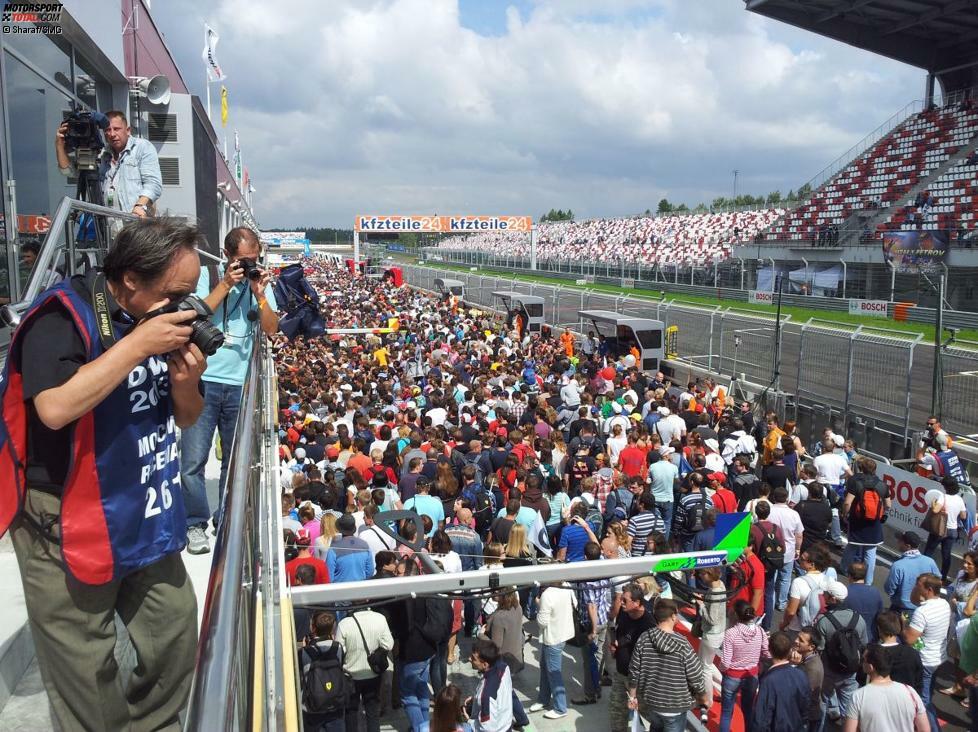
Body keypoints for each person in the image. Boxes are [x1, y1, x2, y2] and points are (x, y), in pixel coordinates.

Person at [0, 218, 206, 732]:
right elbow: (54, 408)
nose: (187, 306)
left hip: (142, 505)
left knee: (177, 633)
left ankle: (150, 724)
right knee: (87, 671)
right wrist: (137, 346)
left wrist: (187, 382)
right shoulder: (61, 316)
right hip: (66, 515)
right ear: (132, 279)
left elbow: (186, 418)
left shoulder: (155, 319)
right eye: (176, 293)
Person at [181, 226, 279, 554]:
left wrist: (260, 292)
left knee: (233, 461)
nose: (249, 265)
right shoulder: (209, 276)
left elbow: (271, 328)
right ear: (227, 256)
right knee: (193, 460)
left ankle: (224, 517)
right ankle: (195, 523)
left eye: (254, 259)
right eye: (243, 260)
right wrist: (227, 283)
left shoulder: (259, 284)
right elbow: (194, 314)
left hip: (240, 384)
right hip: (205, 381)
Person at [56, 109, 162, 218]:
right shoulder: (100, 153)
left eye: (116, 129)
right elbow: (68, 171)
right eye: (107, 130)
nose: (112, 134)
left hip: (136, 224)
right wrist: (59, 144)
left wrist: (140, 206)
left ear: (128, 130)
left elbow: (153, 184)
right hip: (109, 226)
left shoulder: (142, 147)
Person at [627, 598, 710, 732]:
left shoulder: (644, 638)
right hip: (675, 705)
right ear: (672, 616)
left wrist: (632, 696)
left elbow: (634, 670)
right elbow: (695, 676)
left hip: (652, 702)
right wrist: (703, 697)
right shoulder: (682, 644)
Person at [813, 580, 868, 725]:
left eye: (825, 594)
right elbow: (863, 644)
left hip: (829, 671)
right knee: (849, 707)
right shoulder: (858, 619)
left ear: (833, 598)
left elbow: (819, 648)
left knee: (822, 702)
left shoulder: (823, 621)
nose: (823, 596)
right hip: (851, 670)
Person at [903, 573, 951, 731]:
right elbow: (914, 600)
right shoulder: (944, 604)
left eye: (919, 586)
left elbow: (909, 639)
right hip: (938, 657)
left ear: (929, 589)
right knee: (927, 694)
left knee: (923, 702)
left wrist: (904, 625)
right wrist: (917, 589)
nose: (916, 588)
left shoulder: (922, 613)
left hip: (924, 660)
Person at [843, 644, 928, 732]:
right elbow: (925, 729)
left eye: (863, 660)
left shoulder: (858, 697)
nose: (861, 663)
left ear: (871, 667)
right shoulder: (910, 692)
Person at [336, 606, 395, 732]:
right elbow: (389, 644)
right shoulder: (380, 618)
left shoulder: (344, 624)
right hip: (373, 673)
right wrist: (376, 652)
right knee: (372, 711)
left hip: (351, 676)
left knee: (351, 712)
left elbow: (339, 650)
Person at [610, 583, 656, 732]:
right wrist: (615, 646)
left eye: (625, 600)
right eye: (621, 599)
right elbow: (619, 632)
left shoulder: (648, 624)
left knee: (649, 714)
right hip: (620, 673)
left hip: (638, 680)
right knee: (616, 711)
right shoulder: (624, 613)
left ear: (636, 603)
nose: (621, 603)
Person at [718, 599, 768, 732]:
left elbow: (726, 662)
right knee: (748, 709)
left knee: (727, 712)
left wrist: (721, 669)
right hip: (752, 675)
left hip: (732, 676)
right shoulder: (760, 631)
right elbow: (767, 653)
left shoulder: (731, 633)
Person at [530, 582, 576, 720]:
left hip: (553, 638)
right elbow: (575, 605)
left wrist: (538, 605)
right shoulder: (567, 587)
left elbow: (542, 622)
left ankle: (560, 708)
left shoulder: (547, 595)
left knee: (553, 672)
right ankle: (543, 699)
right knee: (545, 667)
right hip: (563, 634)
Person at [841, 457, 889, 585]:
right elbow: (888, 504)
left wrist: (845, 514)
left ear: (861, 468)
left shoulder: (855, 481)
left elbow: (847, 502)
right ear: (875, 469)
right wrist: (883, 514)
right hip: (874, 522)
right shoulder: (882, 484)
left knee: (851, 546)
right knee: (871, 552)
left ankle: (845, 570)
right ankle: (868, 581)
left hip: (857, 520)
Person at [298, 610, 349, 732]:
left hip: (313, 705)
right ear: (332, 629)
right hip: (335, 702)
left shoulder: (305, 652)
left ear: (313, 628)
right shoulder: (338, 648)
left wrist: (306, 646)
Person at [752, 631, 811, 732]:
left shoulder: (769, 681)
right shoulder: (801, 674)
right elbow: (805, 706)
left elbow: (762, 718)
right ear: (790, 651)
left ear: (769, 650)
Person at [922, 479, 968, 582]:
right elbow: (963, 516)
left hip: (940, 529)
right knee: (946, 555)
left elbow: (935, 510)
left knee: (928, 551)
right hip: (953, 531)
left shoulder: (943, 497)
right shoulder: (959, 499)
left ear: (946, 487)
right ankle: (943, 578)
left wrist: (933, 502)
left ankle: (923, 573)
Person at [767, 486, 805, 611]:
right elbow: (799, 535)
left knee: (771, 577)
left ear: (773, 497)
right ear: (787, 498)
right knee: (785, 578)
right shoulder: (794, 514)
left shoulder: (769, 512)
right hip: (788, 551)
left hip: (770, 551)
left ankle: (770, 602)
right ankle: (781, 602)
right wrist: (798, 549)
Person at [885, 531, 939, 618]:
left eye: (900, 541)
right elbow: (938, 582)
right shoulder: (930, 562)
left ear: (908, 546)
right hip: (926, 609)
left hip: (902, 610)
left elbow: (889, 590)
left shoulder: (898, 565)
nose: (898, 542)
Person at [466, 638, 514, 732]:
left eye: (473, 658)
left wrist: (469, 720)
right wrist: (476, 698)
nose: (469, 659)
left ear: (485, 665)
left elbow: (487, 729)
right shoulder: (504, 667)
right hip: (506, 724)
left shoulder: (486, 696)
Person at [876, 611, 923, 694]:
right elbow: (918, 681)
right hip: (906, 697)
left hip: (883, 697)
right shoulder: (913, 653)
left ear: (879, 629)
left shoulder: (875, 653)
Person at [791, 627, 823, 732]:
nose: (796, 641)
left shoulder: (812, 669)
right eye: (797, 637)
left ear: (811, 647)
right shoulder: (807, 659)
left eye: (801, 640)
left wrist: (794, 666)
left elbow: (803, 694)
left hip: (806, 718)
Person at [845, 561, 884, 642]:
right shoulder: (875, 592)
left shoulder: (845, 593)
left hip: (850, 637)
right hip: (871, 636)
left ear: (849, 575)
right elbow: (880, 614)